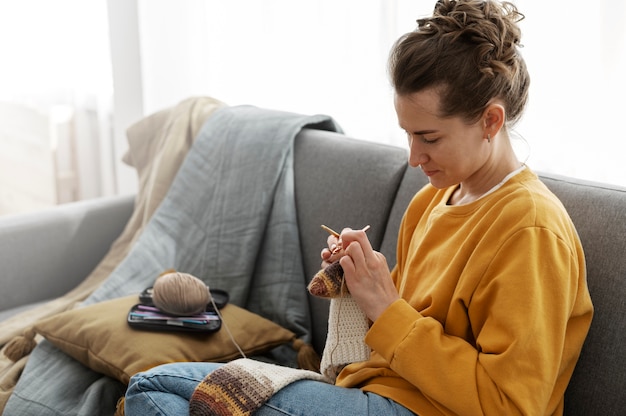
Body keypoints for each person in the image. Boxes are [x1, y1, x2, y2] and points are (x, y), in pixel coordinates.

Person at [124, 1, 593, 415]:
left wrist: (386, 306)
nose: (414, 157)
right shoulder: (431, 200)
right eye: (407, 134)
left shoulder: (530, 229)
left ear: (491, 120)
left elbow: (511, 405)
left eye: (429, 138)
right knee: (160, 401)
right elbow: (405, 336)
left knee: (150, 388)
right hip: (379, 392)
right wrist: (363, 283)